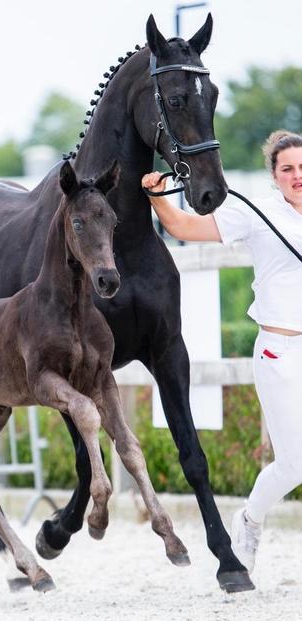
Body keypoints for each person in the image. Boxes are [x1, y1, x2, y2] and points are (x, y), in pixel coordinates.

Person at [142, 130, 302, 573]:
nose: (297, 176)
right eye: (287, 168)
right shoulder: (256, 214)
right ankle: (249, 519)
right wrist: (158, 200)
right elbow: (186, 228)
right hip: (281, 352)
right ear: (274, 175)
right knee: (294, 464)